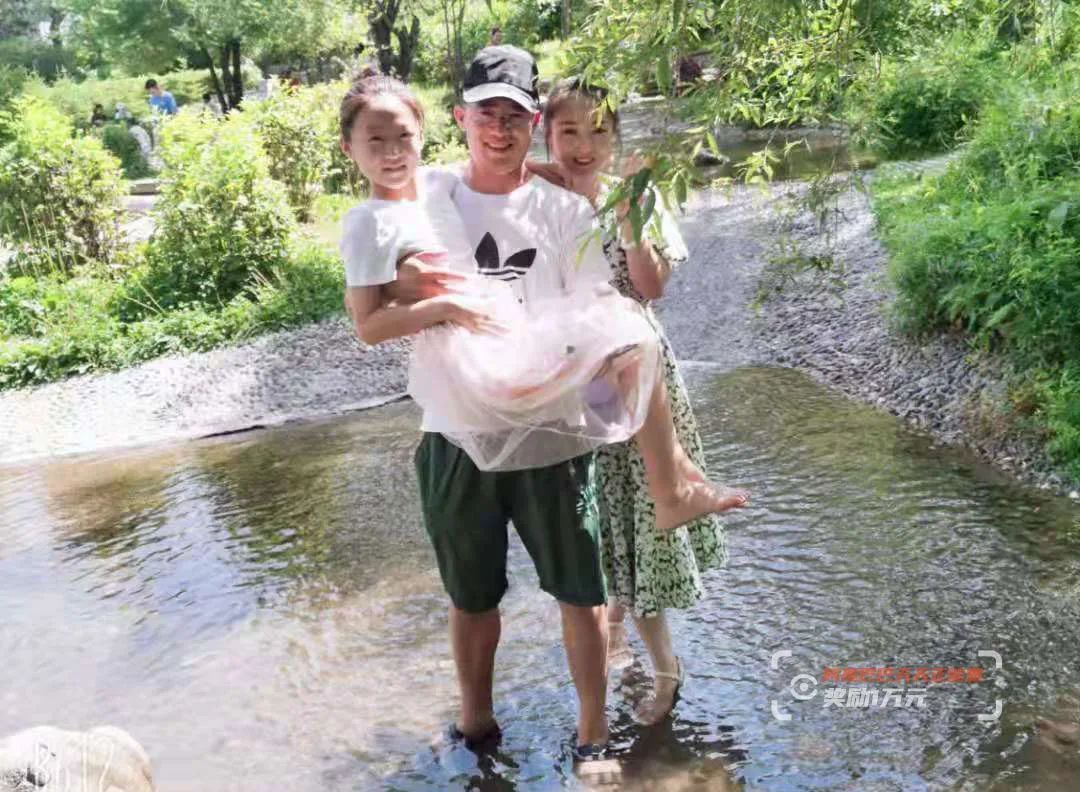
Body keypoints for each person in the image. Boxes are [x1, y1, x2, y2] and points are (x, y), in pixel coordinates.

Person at [336, 50, 747, 765]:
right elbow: (380, 293)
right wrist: (424, 294)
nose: (499, 129)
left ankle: (593, 736)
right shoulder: (419, 194)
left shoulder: (565, 207)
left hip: (554, 433)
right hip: (457, 436)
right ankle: (476, 728)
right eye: (485, 114)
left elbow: (601, 302)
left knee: (581, 595)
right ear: (460, 118)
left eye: (515, 116)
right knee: (472, 598)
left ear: (534, 124)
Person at [539, 78, 733, 725]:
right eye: (569, 132)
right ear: (547, 136)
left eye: (598, 130)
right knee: (605, 525)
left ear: (617, 136)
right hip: (579, 387)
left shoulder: (639, 196)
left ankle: (667, 674)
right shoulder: (541, 200)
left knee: (643, 526)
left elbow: (650, 287)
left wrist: (627, 213)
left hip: (639, 385)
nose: (584, 145)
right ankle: (616, 620)